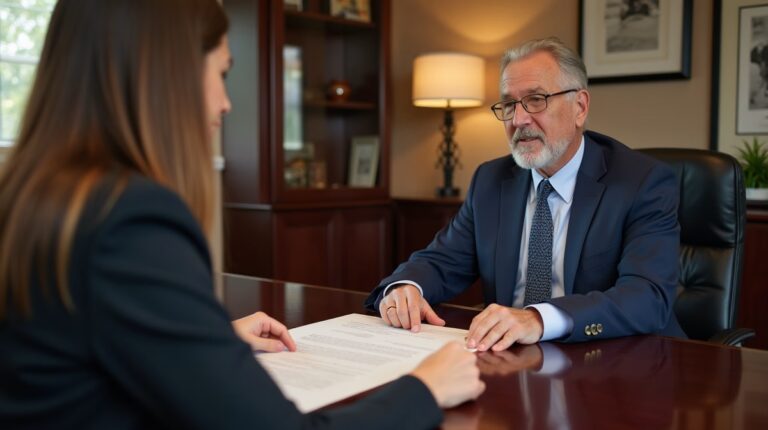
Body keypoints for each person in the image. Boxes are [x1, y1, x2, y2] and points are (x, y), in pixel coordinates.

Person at [0, 1, 484, 428]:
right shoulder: (130, 220)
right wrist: (424, 389)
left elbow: (75, 340)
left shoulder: (31, 195)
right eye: (222, 73)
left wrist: (200, 343)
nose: (227, 103)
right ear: (169, 73)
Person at [366, 37, 685, 351]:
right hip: (512, 362)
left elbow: (647, 296)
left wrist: (540, 319)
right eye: (508, 104)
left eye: (536, 100)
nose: (518, 119)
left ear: (580, 107)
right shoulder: (491, 180)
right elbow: (442, 261)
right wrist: (406, 286)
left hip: (615, 367)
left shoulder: (642, 181)